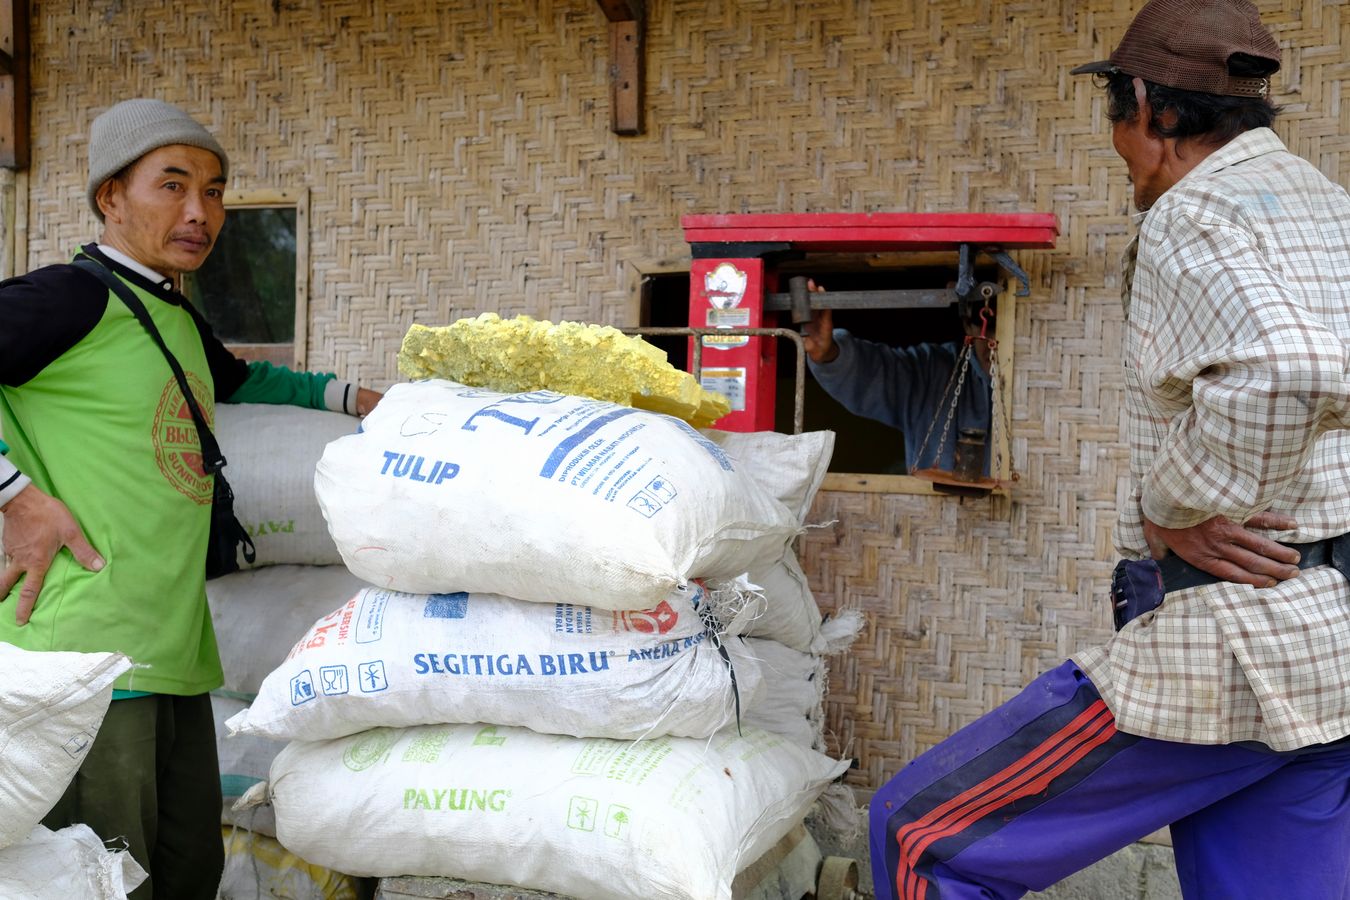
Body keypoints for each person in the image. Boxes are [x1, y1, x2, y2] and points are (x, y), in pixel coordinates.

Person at [868, 1, 1350, 897]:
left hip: (1236, 641)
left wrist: (1181, 506)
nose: (1117, 146)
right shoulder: (1331, 209)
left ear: (1147, 104)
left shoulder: (1195, 213)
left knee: (918, 835)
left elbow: (1289, 368)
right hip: (1332, 645)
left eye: (1115, 117)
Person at [0, 98, 382, 898]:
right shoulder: (69, 299)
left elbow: (245, 377)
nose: (199, 212)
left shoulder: (167, 313)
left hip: (171, 653)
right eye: (171, 186)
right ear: (111, 196)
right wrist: (16, 496)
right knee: (104, 878)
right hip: (87, 653)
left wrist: (361, 401)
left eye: (213, 192)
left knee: (186, 874)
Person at [803, 281, 995, 477]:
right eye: (987, 325)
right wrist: (829, 353)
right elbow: (874, 375)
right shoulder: (933, 373)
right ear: (967, 325)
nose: (995, 341)